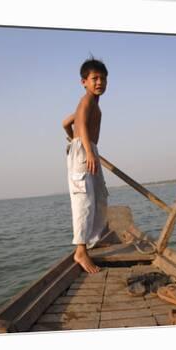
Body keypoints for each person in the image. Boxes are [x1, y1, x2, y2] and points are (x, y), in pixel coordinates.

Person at [62, 58, 110, 274]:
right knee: (84, 200)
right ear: (84, 82)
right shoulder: (86, 100)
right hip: (85, 152)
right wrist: (85, 149)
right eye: (95, 78)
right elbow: (80, 122)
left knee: (100, 196)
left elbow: (66, 122)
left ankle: (91, 241)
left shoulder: (92, 104)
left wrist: (73, 139)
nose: (99, 82)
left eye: (103, 78)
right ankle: (80, 250)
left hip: (86, 148)